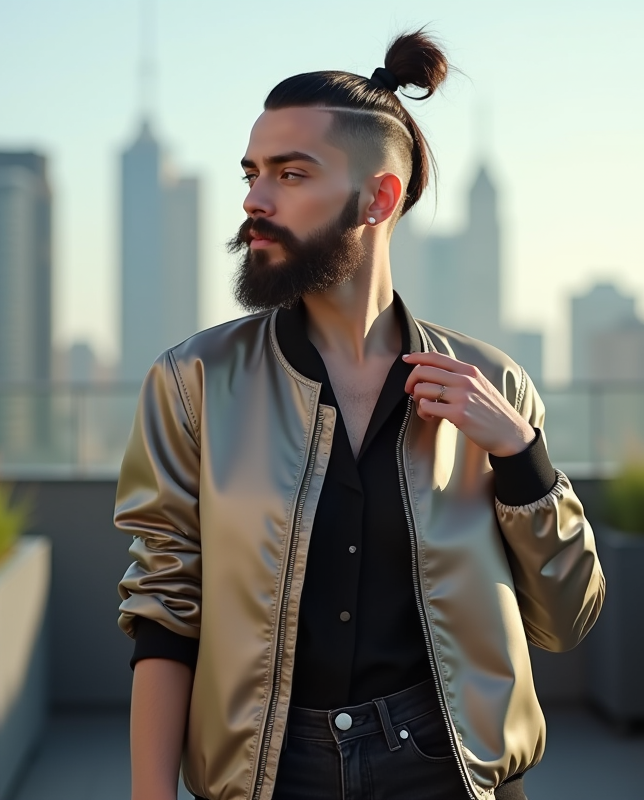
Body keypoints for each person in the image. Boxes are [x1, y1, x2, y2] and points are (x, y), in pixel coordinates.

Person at [115, 29, 604, 800]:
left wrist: (519, 452)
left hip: (452, 773)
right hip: (269, 778)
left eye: (290, 173)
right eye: (252, 173)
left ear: (377, 198)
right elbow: (166, 609)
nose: (254, 199)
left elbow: (566, 621)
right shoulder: (192, 382)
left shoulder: (493, 386)